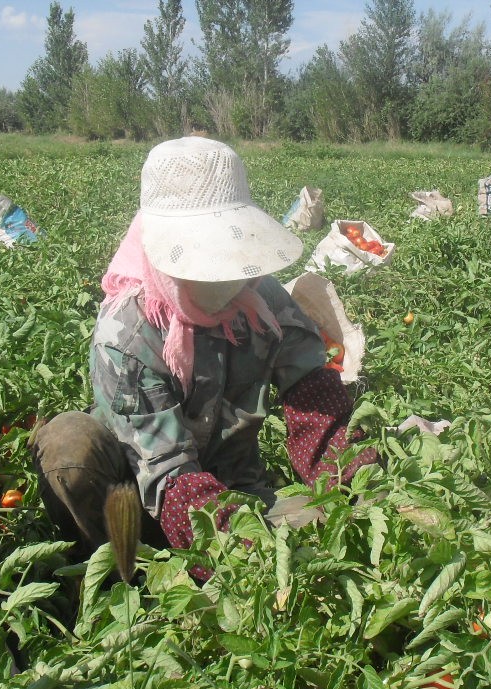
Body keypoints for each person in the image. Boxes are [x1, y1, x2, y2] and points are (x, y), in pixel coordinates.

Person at [32, 137, 375, 573]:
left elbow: (318, 409)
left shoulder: (262, 301)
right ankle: (116, 575)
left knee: (331, 547)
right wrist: (236, 555)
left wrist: (358, 489)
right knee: (70, 446)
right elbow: (167, 473)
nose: (227, 282)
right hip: (136, 501)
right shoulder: (127, 334)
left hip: (241, 498)